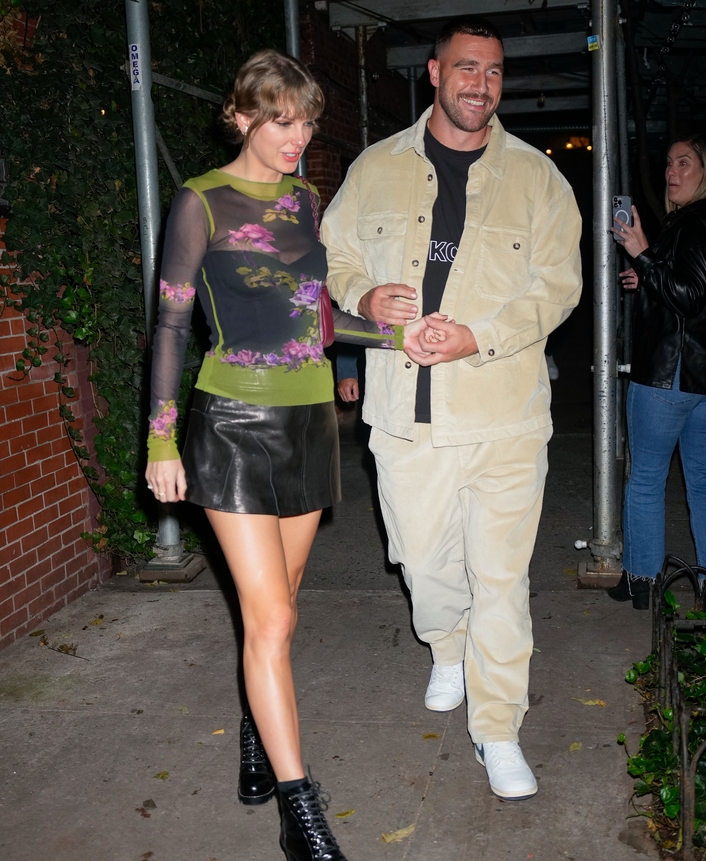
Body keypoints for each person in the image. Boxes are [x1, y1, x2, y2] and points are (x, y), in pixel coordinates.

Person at [144, 50, 439, 861]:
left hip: (308, 421)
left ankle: (254, 730)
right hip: (232, 424)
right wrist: (161, 438)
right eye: (281, 118)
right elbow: (170, 326)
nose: (298, 135)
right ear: (240, 116)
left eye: (306, 119)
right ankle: (300, 811)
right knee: (269, 616)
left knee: (280, 613)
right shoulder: (199, 201)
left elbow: (314, 319)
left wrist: (394, 334)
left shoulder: (307, 200)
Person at [321, 17, 582, 801]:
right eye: (468, 68)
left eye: (495, 72)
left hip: (503, 414)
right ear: (435, 73)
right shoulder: (376, 167)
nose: (482, 84)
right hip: (405, 417)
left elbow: (557, 286)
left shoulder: (538, 179)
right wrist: (362, 294)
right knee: (423, 563)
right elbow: (335, 253)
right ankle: (445, 643)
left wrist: (479, 335)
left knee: (501, 578)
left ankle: (497, 727)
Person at [608, 133, 706, 610]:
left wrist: (642, 250)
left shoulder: (698, 221)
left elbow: (685, 295)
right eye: (668, 162)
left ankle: (641, 580)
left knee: (645, 477)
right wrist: (645, 275)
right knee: (705, 480)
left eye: (684, 163)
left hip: (667, 376)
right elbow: (700, 290)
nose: (671, 171)